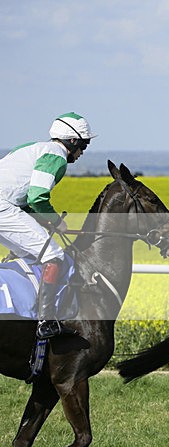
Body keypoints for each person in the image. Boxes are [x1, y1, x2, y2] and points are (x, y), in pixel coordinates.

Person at [0, 112, 97, 339]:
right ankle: (46, 321)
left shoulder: (34, 147)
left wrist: (44, 221)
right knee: (53, 256)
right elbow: (36, 197)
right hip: (3, 209)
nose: (83, 152)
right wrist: (55, 221)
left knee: (32, 255)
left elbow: (25, 202)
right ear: (72, 141)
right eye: (84, 144)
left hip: (6, 208)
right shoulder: (57, 156)